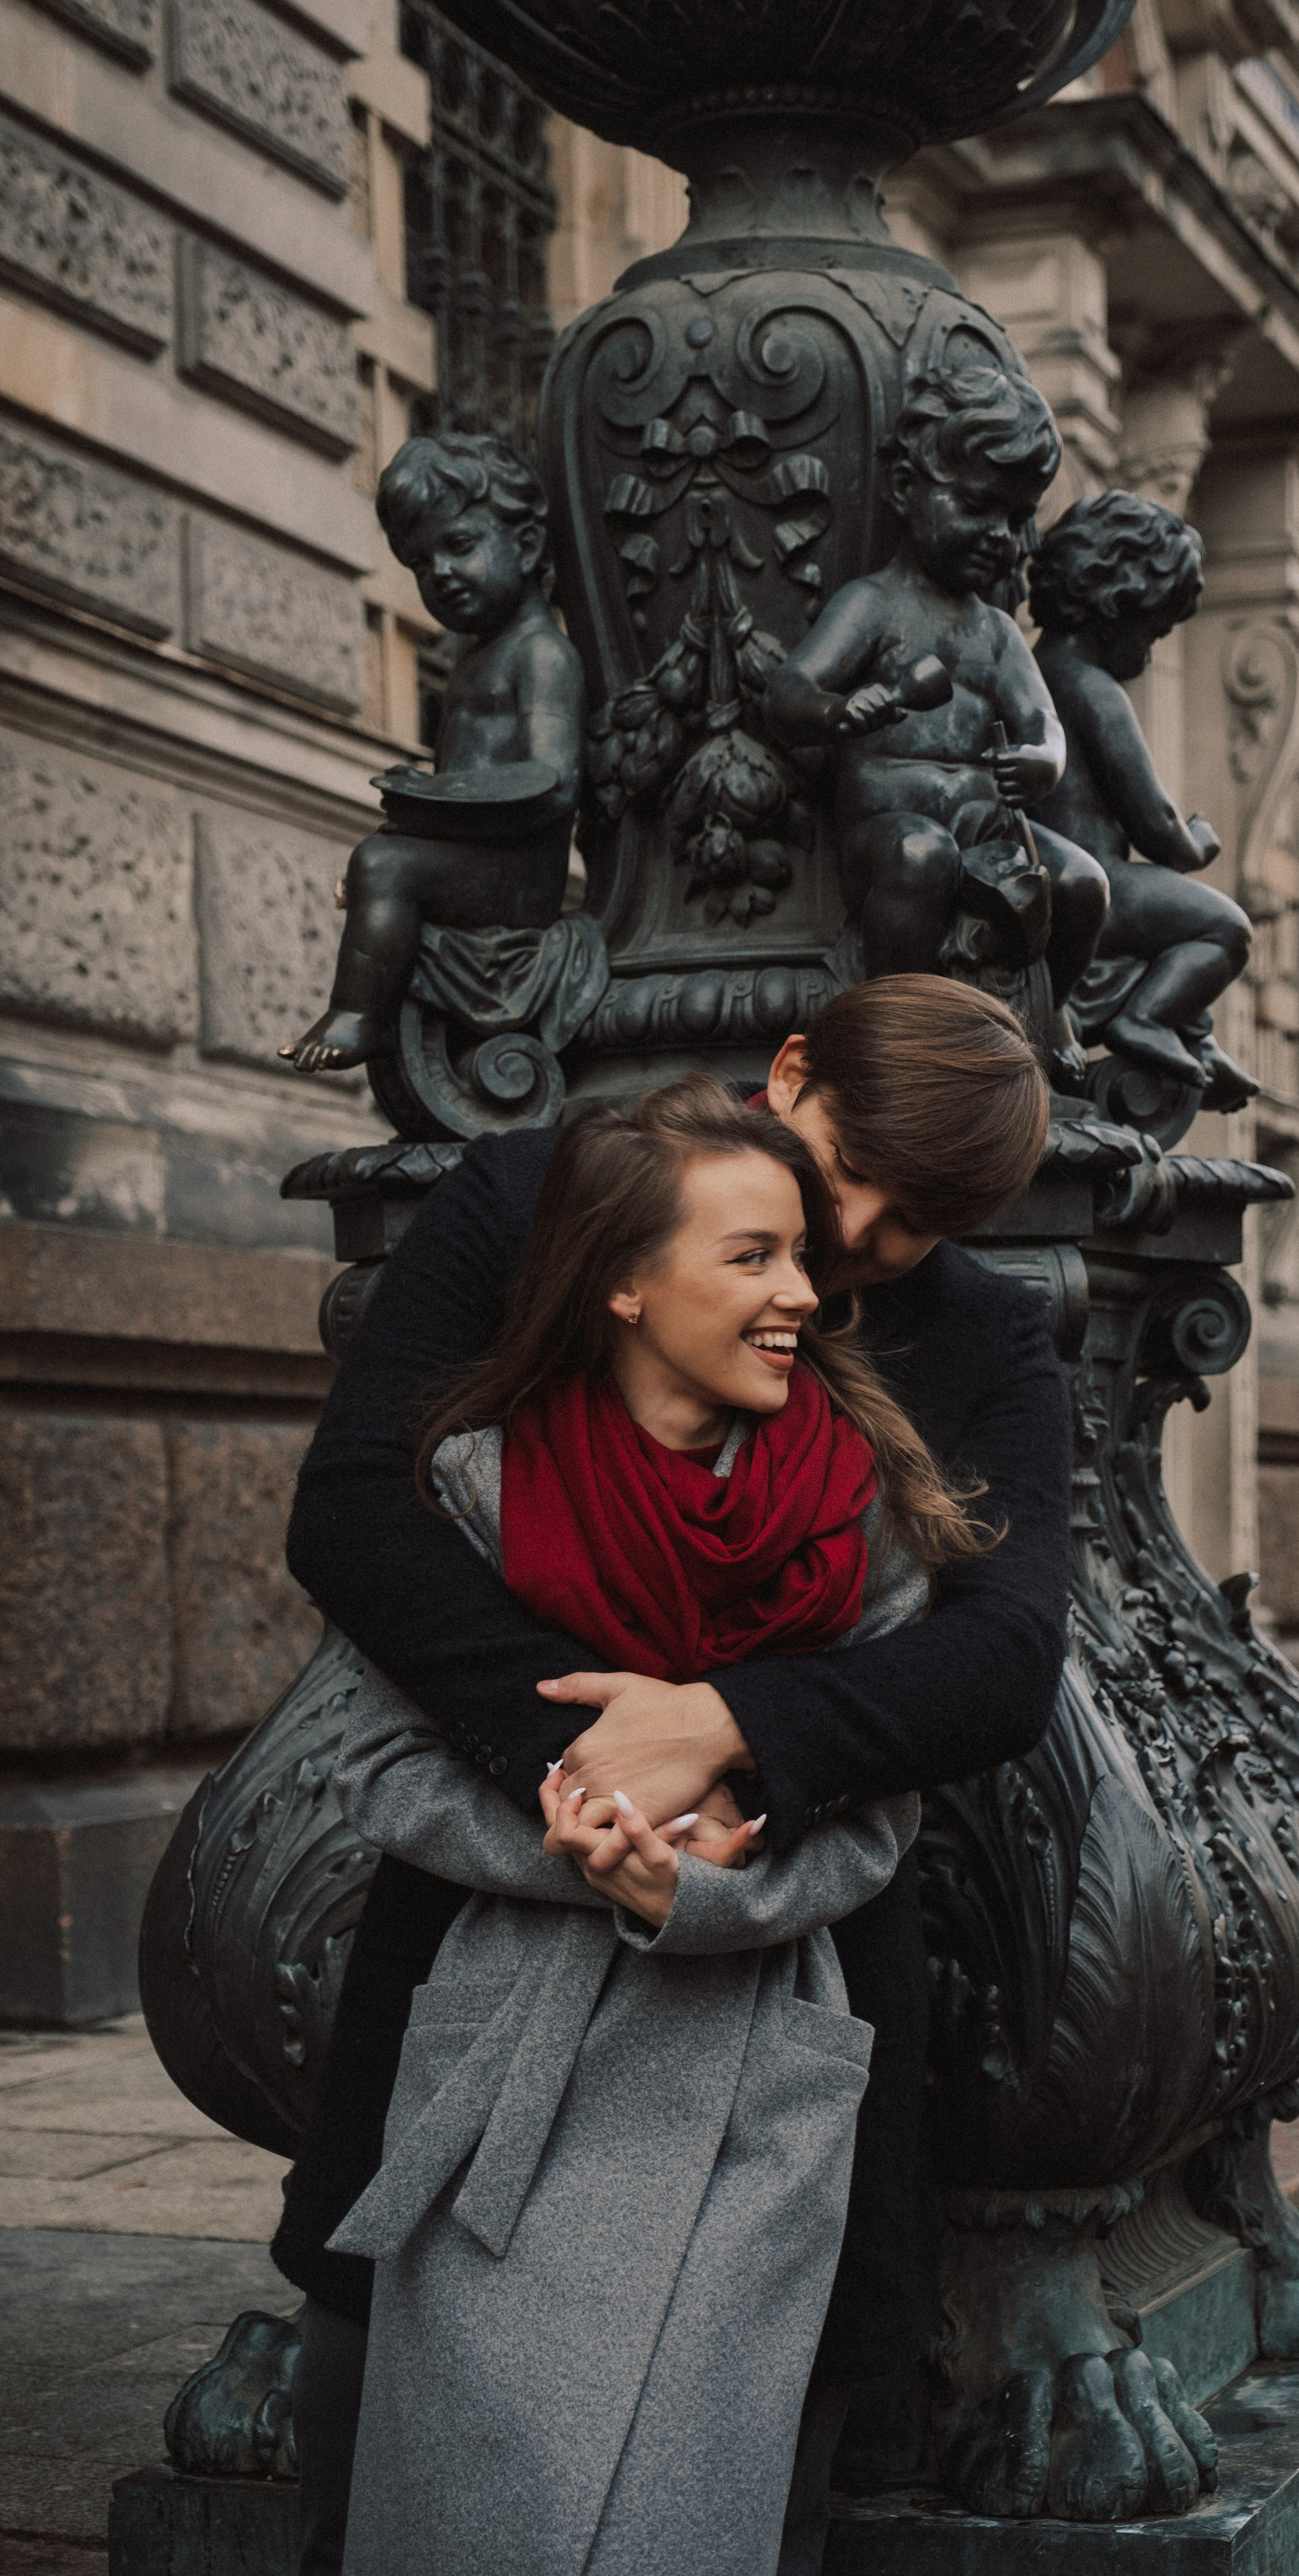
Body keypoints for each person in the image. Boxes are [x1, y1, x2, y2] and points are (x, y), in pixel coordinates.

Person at [276, 974, 1070, 2576]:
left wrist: (727, 1728)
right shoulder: (534, 1200)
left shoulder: (980, 1331)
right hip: (491, 1933)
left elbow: (999, 1658)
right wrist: (590, 1752)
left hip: (779, 1960)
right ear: (790, 1068)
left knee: (741, 2460)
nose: (849, 1238)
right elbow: (359, 1513)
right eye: (839, 1173)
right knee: (403, 2444)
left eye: (910, 1224)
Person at [765, 367, 1109, 1017]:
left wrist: (1042, 762)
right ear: (905, 489)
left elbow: (1045, 724)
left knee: (1083, 883)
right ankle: (900, 1024)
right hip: (888, 826)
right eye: (978, 507)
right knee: (919, 857)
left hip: (986, 825)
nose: (1002, 536)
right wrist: (837, 710)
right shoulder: (873, 605)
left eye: (1018, 518)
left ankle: (1051, 1013)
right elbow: (789, 691)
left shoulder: (999, 633)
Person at [284, 432, 585, 1074]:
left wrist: (427, 798)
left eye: (459, 546)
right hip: (476, 865)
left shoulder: (541, 654)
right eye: (421, 563)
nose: (439, 573)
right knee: (389, 858)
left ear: (527, 546)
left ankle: (357, 1016)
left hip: (517, 881)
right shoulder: (473, 659)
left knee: (386, 864)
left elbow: (551, 782)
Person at [1028, 491, 1257, 1109]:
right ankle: (1147, 1020)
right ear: (1116, 609)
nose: (1152, 653)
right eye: (1153, 632)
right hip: (1099, 885)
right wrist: (1195, 843)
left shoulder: (1032, 670)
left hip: (1061, 878)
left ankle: (1196, 1041)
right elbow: (1153, 820)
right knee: (1223, 927)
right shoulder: (1095, 690)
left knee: (1174, 918)